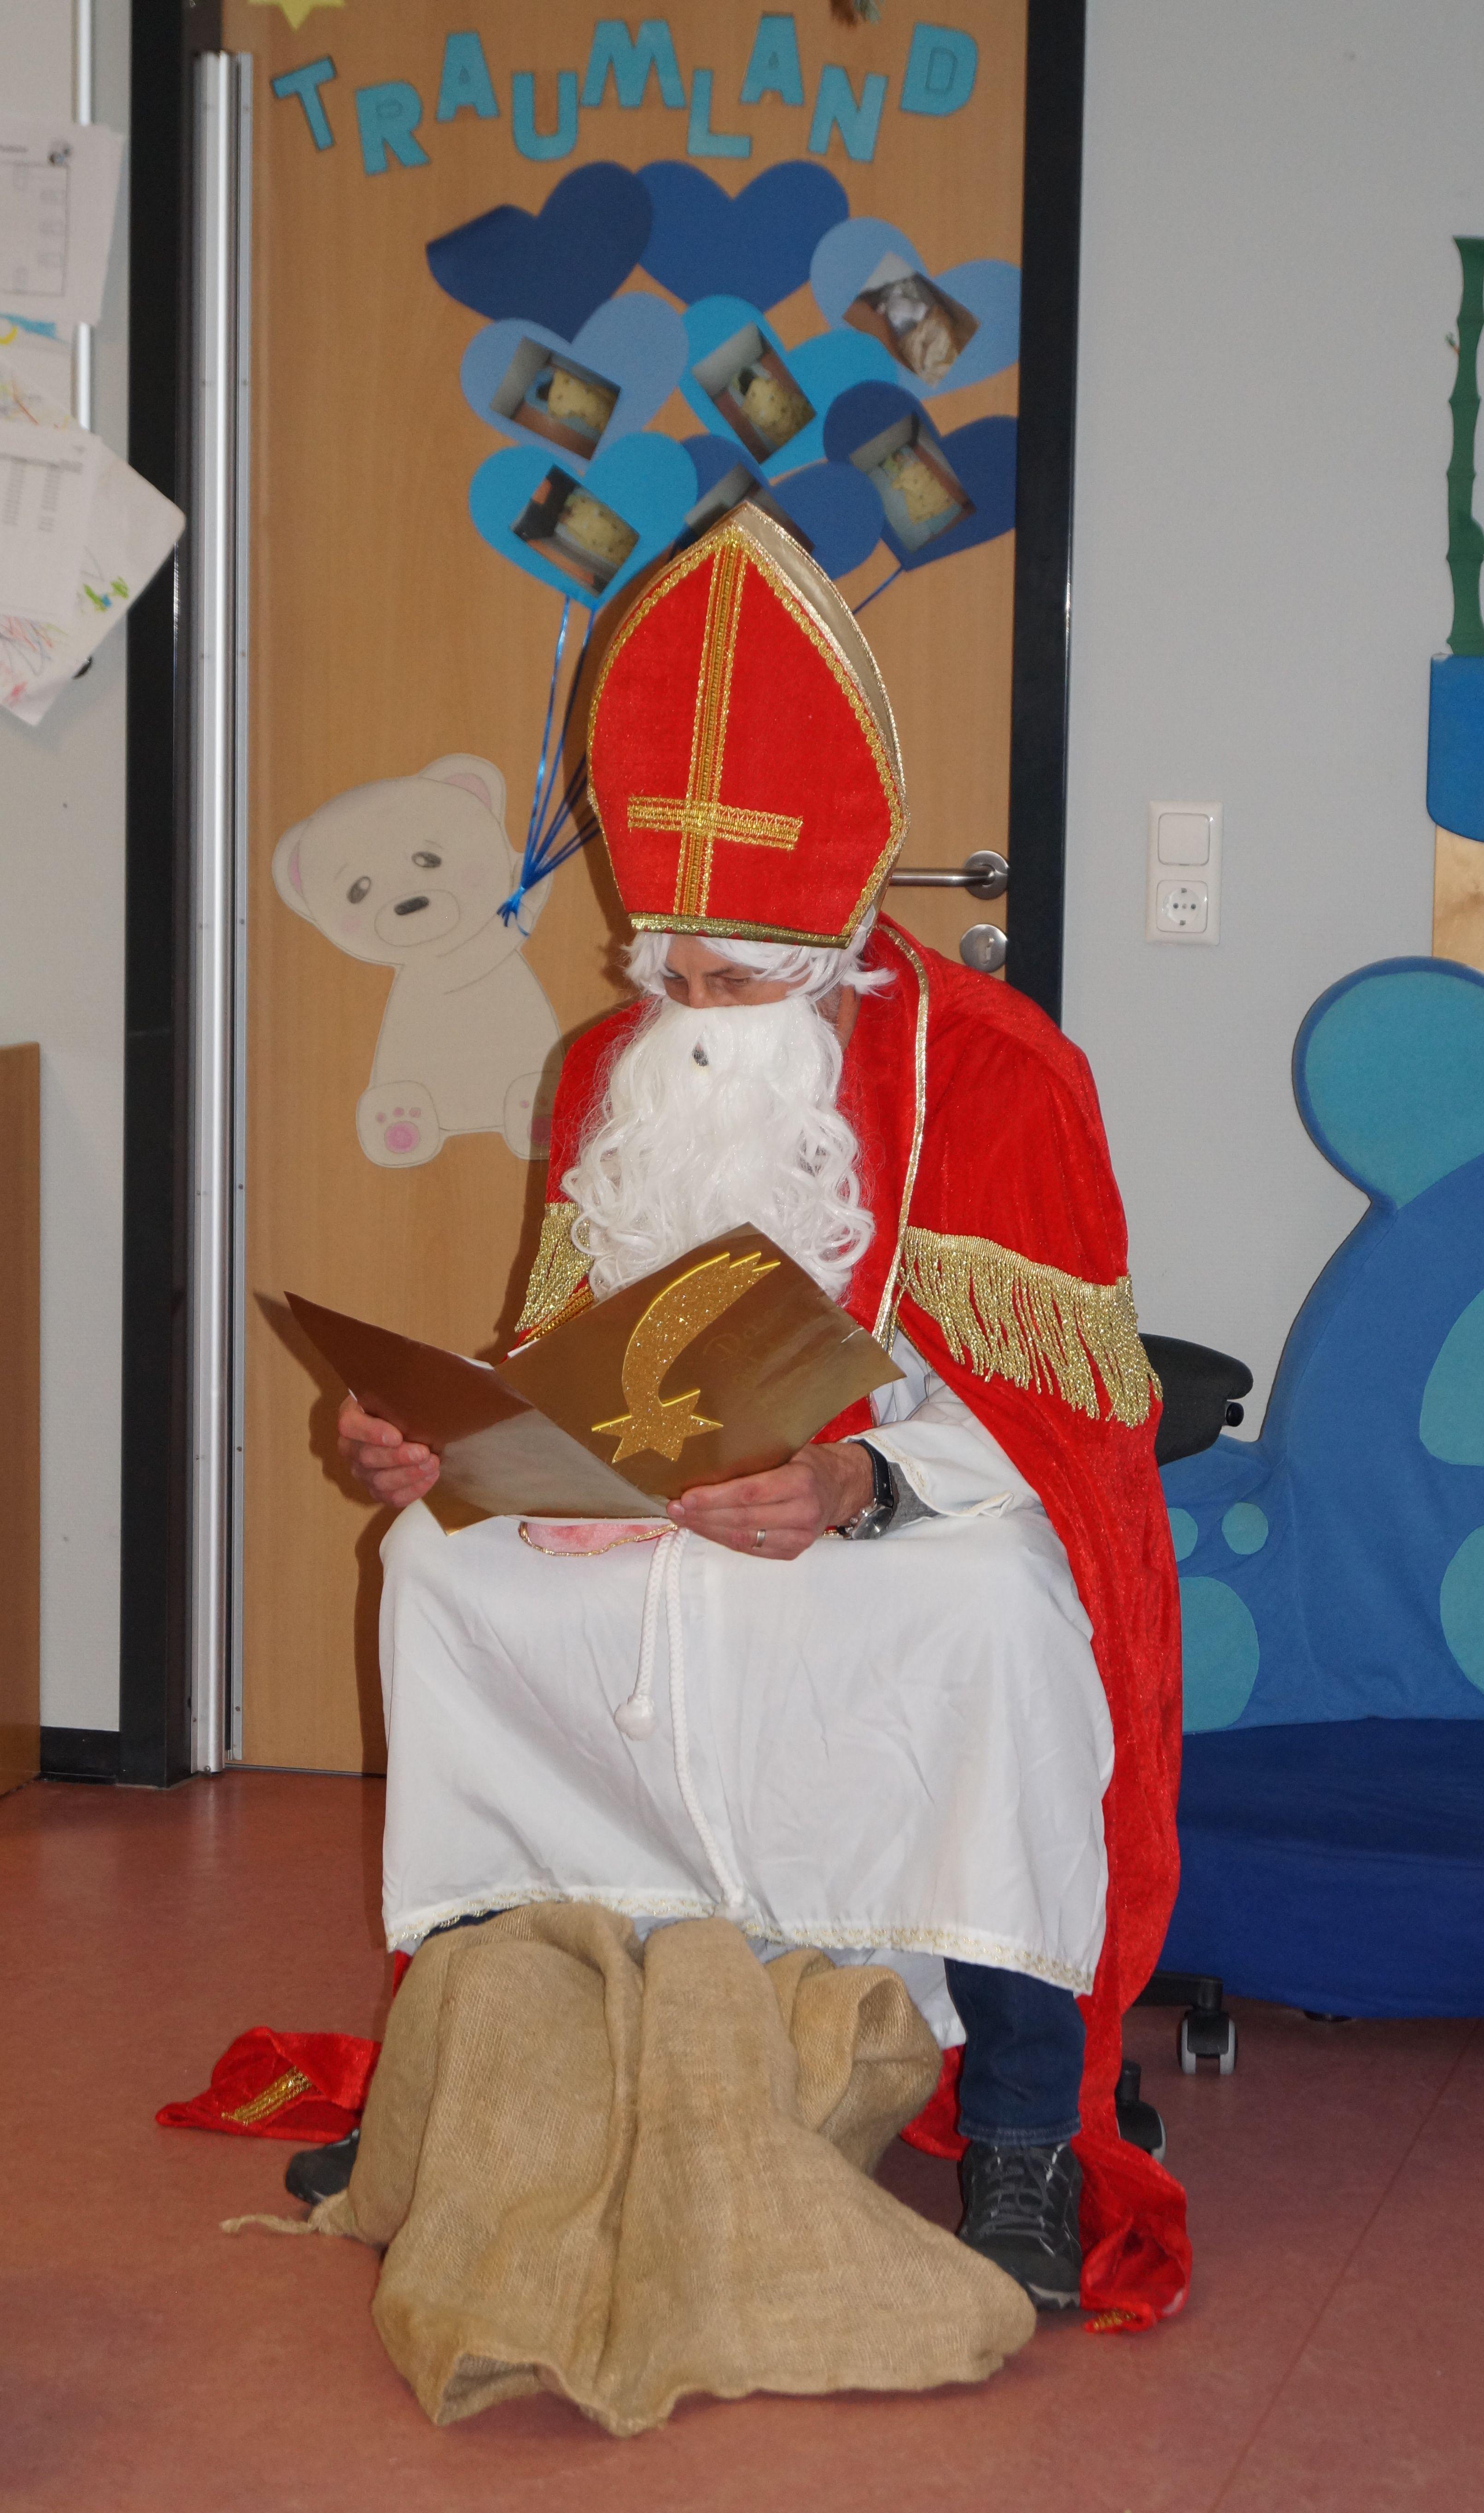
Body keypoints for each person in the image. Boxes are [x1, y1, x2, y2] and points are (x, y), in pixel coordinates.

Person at [302, 507, 1187, 2321]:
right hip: (648, 1513)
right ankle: (489, 2067)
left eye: (739, 979)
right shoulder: (608, 1070)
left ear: (840, 937)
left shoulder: (999, 1074)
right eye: (671, 972)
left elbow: (1072, 1432)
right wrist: (439, 1446)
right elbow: (566, 1353)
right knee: (441, 1573)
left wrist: (856, 1480)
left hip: (912, 1518)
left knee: (997, 1631)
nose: (694, 1012)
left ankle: (1023, 2120)